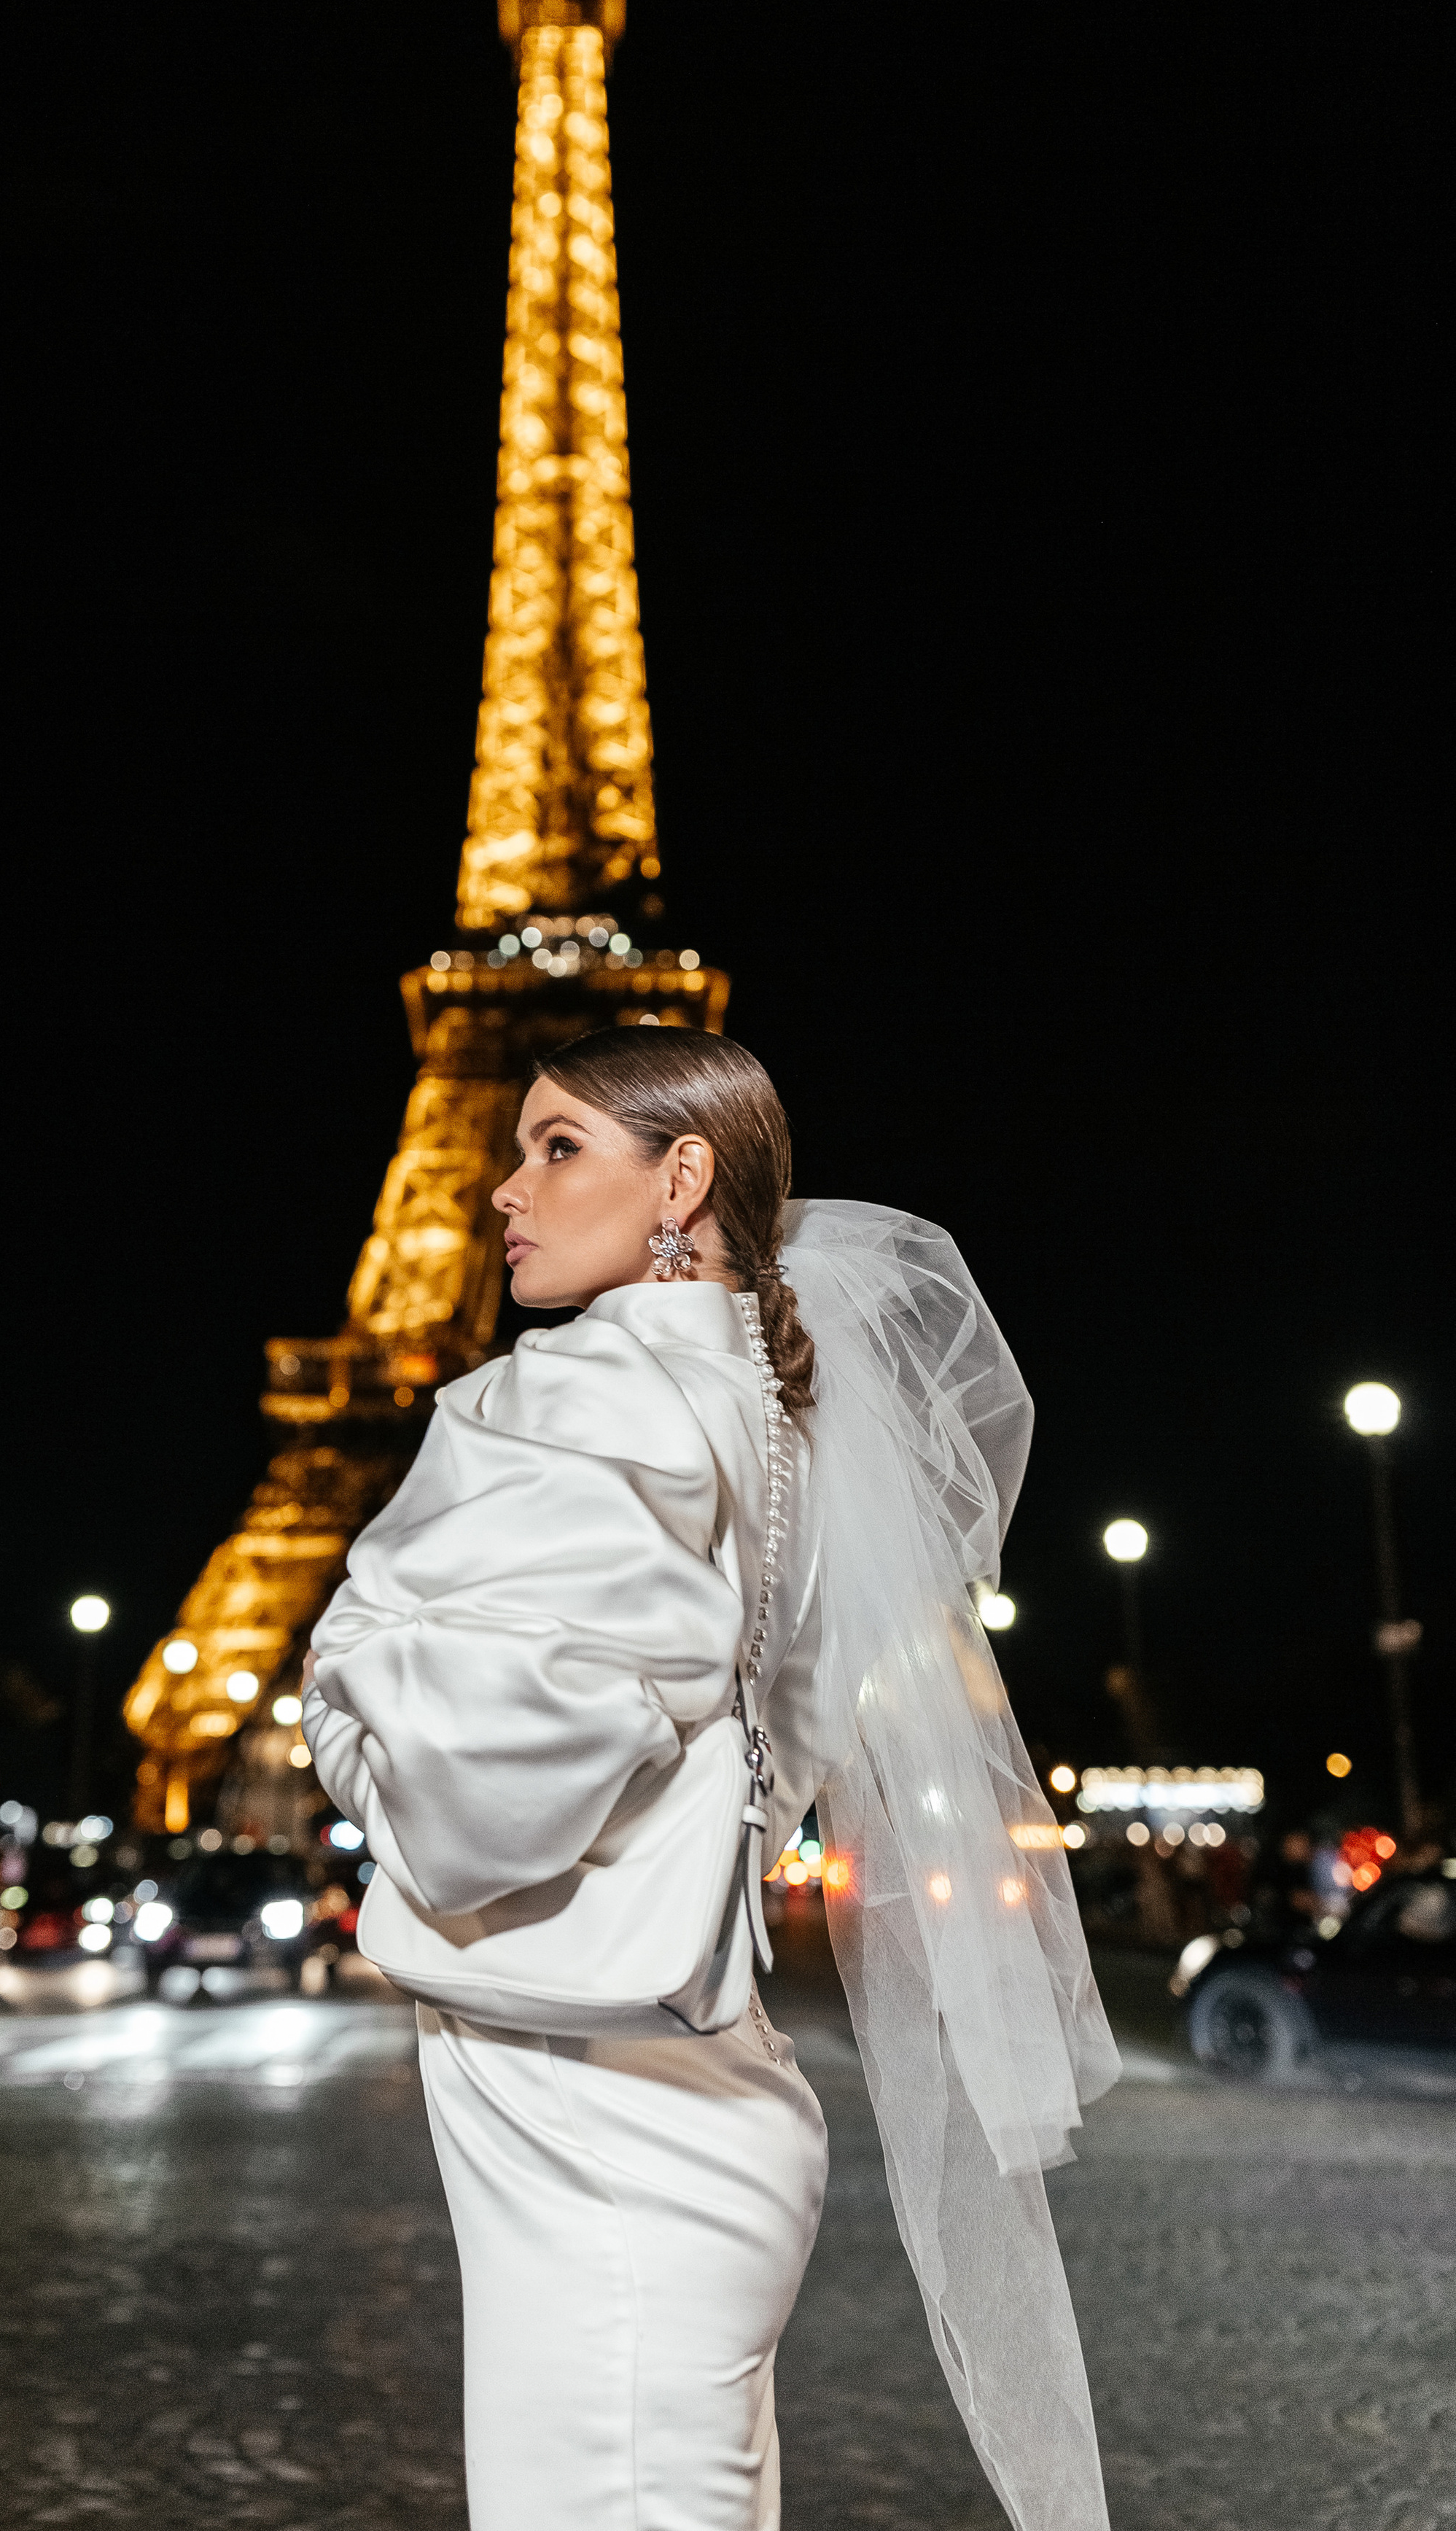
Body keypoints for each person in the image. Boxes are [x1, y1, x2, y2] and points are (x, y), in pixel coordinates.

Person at [303, 1029, 1117, 2531]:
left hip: (592, 2105)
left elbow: (473, 1801)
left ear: (682, 1177)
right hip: (711, 2094)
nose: (503, 1188)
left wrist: (344, 1684)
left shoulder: (587, 1396)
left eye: (557, 1146)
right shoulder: (797, 1427)